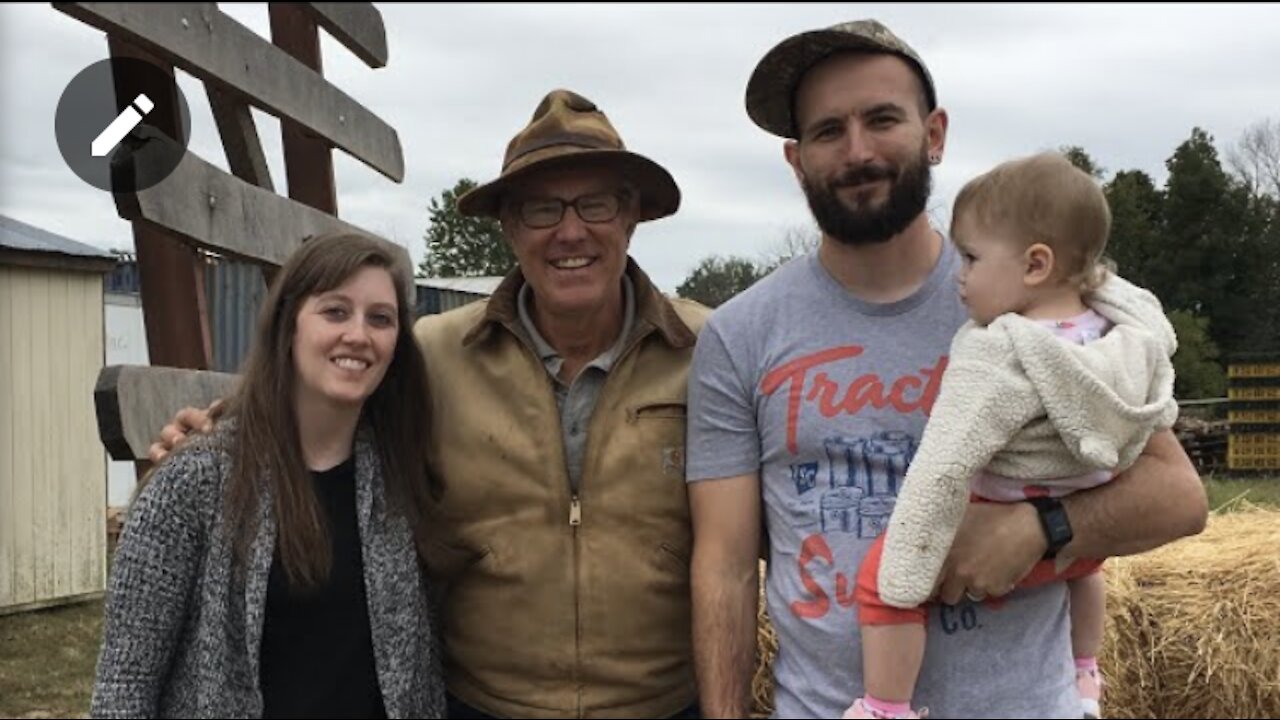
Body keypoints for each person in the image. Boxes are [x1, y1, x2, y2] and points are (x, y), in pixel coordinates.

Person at [685, 19, 1207, 720]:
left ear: (935, 134)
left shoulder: (1037, 303)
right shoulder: (739, 334)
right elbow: (723, 568)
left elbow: (1179, 496)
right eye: (828, 131)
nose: (857, 151)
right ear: (795, 158)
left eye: (882, 120)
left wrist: (1042, 528)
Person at [150, 89, 710, 719]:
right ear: (509, 227)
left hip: (661, 708)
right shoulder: (433, 354)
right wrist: (218, 427)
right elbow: (321, 385)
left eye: (595, 204)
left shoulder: (710, 352)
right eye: (541, 209)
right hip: (480, 706)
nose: (569, 231)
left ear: (630, 215)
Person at [849, 152, 1180, 720]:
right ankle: (1085, 673)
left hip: (1005, 514)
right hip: (1074, 549)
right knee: (1091, 569)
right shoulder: (1122, 331)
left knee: (881, 585)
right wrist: (1066, 526)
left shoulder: (1000, 349)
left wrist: (911, 558)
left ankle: (886, 707)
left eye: (973, 258)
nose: (961, 276)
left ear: (1034, 265)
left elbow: (946, 463)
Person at [92, 233, 445, 718]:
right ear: (289, 326)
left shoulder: (399, 478)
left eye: (380, 319)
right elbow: (123, 686)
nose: (359, 335)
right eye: (336, 311)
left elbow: (416, 672)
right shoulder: (195, 481)